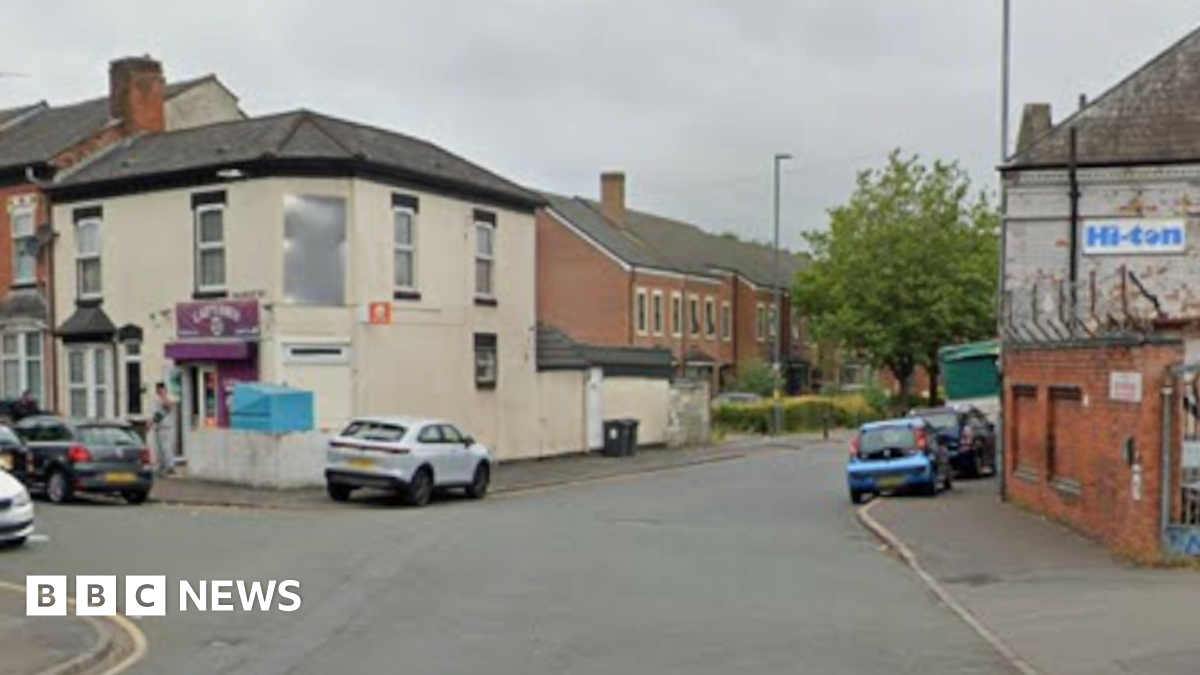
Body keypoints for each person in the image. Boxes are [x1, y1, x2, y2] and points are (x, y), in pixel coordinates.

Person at [149, 382, 177, 477]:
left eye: (159, 389)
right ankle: (160, 467)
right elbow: (157, 413)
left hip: (166, 427)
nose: (157, 391)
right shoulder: (156, 399)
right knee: (158, 449)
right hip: (158, 427)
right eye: (157, 390)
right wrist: (151, 422)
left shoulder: (169, 397)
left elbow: (169, 407)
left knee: (166, 448)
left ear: (163, 389)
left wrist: (164, 396)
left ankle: (170, 467)